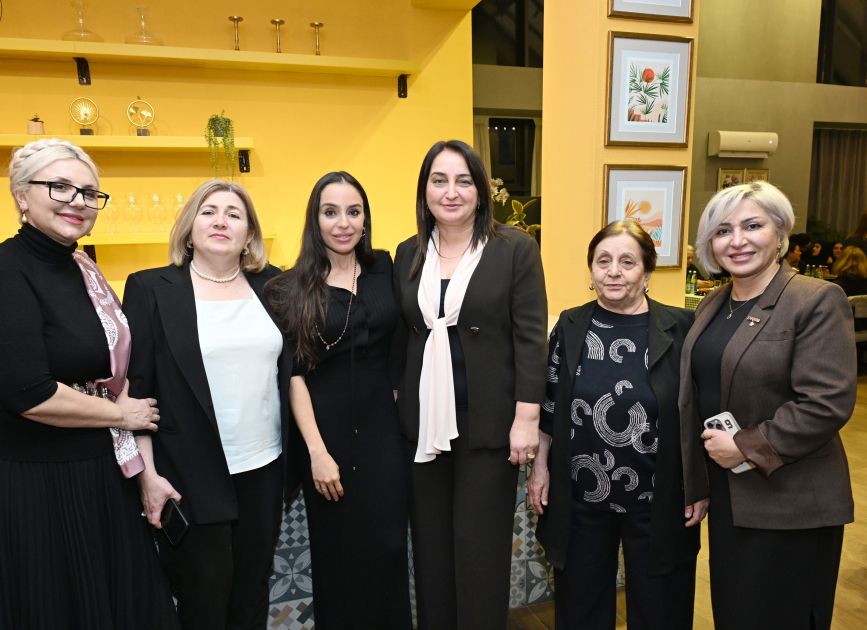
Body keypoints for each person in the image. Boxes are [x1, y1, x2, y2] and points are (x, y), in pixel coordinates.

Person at [0, 139, 179, 629]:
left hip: (94, 469)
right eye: (60, 187)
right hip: (26, 480)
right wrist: (122, 415)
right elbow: (29, 393)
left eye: (89, 192)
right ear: (21, 195)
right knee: (44, 606)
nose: (77, 201)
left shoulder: (82, 267)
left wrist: (141, 468)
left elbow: (110, 367)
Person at [681, 181, 856, 630]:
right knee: (737, 612)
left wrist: (744, 446)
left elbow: (826, 402)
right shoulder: (713, 303)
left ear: (780, 232)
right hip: (731, 495)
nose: (737, 241)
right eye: (723, 231)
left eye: (752, 226)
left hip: (790, 502)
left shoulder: (815, 299)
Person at [122, 180, 291, 630]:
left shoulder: (273, 285)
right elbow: (138, 391)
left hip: (263, 469)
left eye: (234, 214)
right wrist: (147, 476)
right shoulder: (150, 288)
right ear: (189, 228)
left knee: (251, 597)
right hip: (189, 473)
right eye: (209, 211)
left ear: (249, 235)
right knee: (203, 602)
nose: (221, 221)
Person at [393, 139, 548, 630]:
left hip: (489, 427)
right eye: (439, 180)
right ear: (425, 191)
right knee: (431, 551)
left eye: (463, 181)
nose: (451, 192)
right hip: (423, 428)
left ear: (480, 190)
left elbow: (531, 338)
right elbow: (402, 335)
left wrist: (527, 418)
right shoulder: (408, 252)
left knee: (479, 551)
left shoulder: (514, 249)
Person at [528, 221, 706, 630]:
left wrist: (699, 484)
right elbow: (550, 406)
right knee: (580, 608)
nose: (613, 271)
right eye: (603, 261)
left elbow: (697, 412)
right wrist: (540, 469)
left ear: (647, 272)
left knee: (661, 608)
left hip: (659, 498)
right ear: (591, 270)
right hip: (581, 498)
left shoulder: (682, 327)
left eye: (627, 262)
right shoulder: (570, 326)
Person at [264, 172, 411, 629]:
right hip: (325, 434)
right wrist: (317, 452)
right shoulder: (290, 288)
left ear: (366, 219)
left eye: (353, 211)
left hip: (384, 430)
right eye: (331, 212)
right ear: (316, 219)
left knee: (390, 547)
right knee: (339, 556)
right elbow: (293, 377)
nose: (343, 223)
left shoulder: (386, 268)